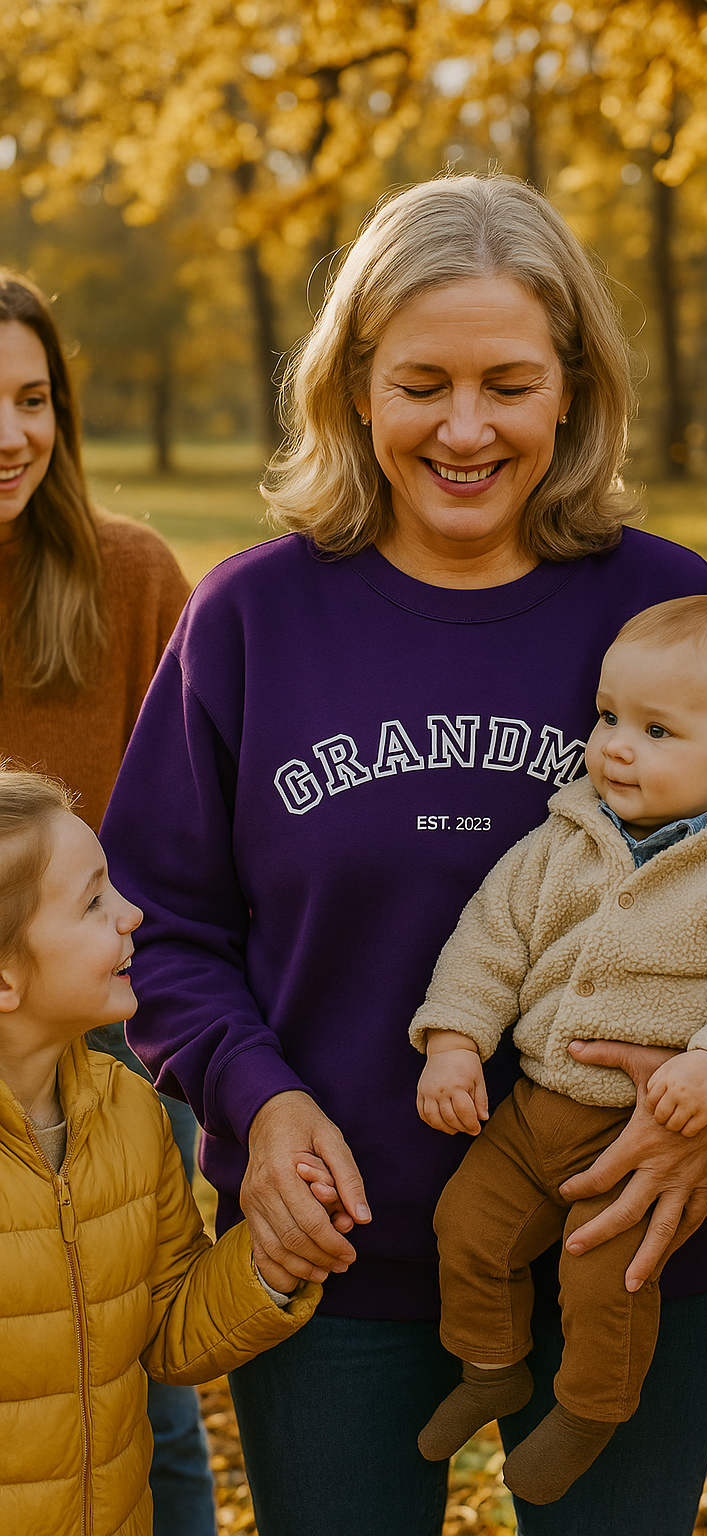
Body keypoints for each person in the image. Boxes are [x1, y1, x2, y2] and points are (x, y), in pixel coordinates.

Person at [101, 173, 707, 1536]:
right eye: (423, 382)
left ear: (571, 389)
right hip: (337, 1259)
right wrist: (253, 1104)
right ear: (356, 389)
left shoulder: (672, 609)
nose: (467, 427)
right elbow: (162, 924)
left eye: (508, 381)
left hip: (639, 1239)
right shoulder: (252, 618)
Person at [398, 595, 707, 1504]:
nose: (614, 744)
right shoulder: (567, 839)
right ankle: (492, 1365)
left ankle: (591, 1407)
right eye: (608, 716)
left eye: (656, 730)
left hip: (638, 1137)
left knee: (607, 1278)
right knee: (467, 1228)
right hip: (532, 1112)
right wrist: (454, 1041)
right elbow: (491, 939)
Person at [0, 271, 217, 1533]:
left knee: (141, 1399)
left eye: (34, 399)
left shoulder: (128, 579)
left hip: (118, 1052)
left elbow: (202, 819)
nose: (14, 434)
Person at [0, 768, 320, 1536]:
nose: (133, 915)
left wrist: (268, 1266)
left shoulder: (131, 1112)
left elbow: (169, 1325)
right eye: (93, 903)